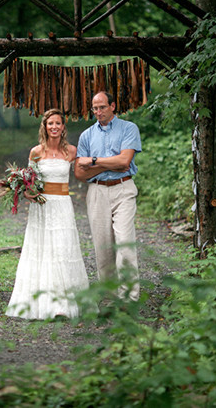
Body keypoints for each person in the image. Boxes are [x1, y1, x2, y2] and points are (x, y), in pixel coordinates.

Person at [6, 108, 90, 319]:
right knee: (43, 251)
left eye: (58, 123)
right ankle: (41, 303)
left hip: (62, 205)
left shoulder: (71, 151)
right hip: (42, 207)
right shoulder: (36, 152)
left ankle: (63, 304)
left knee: (62, 249)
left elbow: (81, 174)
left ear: (63, 127)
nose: (54, 127)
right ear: (44, 127)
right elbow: (28, 181)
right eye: (50, 123)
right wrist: (27, 192)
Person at [75, 91, 141, 301]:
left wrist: (93, 161)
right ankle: (112, 297)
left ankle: (129, 297)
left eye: (102, 107)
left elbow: (124, 163)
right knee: (103, 248)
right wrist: (108, 161)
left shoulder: (129, 128)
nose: (98, 112)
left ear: (113, 106)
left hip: (123, 188)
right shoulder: (86, 135)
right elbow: (79, 173)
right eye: (95, 108)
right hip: (97, 192)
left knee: (125, 243)